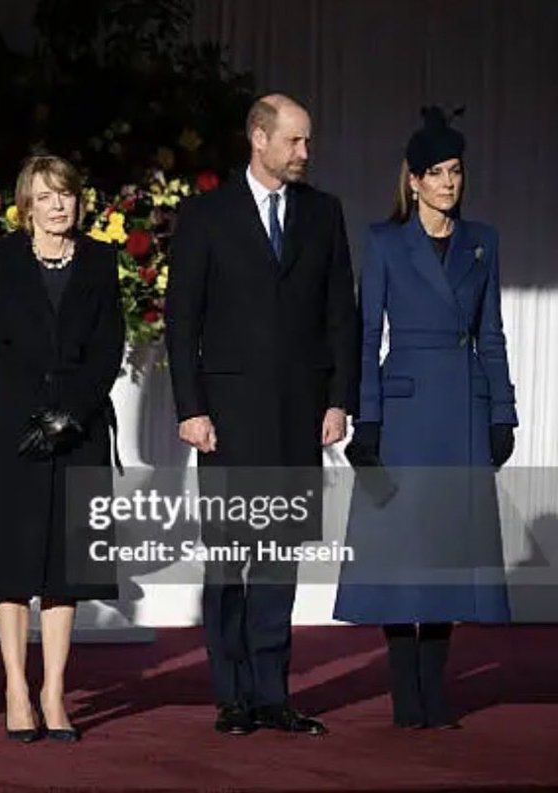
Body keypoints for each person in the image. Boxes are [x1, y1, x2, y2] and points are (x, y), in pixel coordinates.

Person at [166, 94, 359, 736]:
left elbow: (341, 312)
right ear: (259, 137)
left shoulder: (323, 213)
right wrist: (191, 409)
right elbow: (182, 320)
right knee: (229, 560)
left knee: (279, 558)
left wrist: (339, 398)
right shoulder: (206, 215)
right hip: (225, 418)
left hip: (299, 414)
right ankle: (232, 695)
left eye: (307, 141)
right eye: (295, 140)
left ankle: (272, 695)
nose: (305, 152)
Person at [335, 107, 517, 729]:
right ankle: (404, 688)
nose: (447, 183)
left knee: (446, 549)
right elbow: (366, 336)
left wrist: (503, 412)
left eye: (455, 171)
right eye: (435, 172)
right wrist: (368, 420)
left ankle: (432, 691)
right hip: (404, 411)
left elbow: (492, 333)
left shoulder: (482, 242)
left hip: (463, 408)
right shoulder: (386, 242)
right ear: (412, 181)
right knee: (398, 549)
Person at [0, 155, 124, 743]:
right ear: (26, 206)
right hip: (14, 426)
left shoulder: (101, 259)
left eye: (66, 195)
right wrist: (39, 413)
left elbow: (108, 346)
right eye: (46, 196)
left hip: (79, 427)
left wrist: (70, 413)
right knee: (12, 560)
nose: (58, 206)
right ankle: (15, 688)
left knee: (65, 566)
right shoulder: (1, 257)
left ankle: (53, 691)